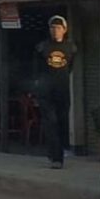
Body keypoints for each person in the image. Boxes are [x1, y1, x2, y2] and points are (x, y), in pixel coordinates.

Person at [35, 15, 76, 169]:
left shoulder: (71, 48)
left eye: (58, 28)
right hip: (46, 93)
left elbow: (70, 67)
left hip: (63, 91)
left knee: (62, 123)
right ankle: (56, 157)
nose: (55, 31)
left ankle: (59, 151)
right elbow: (37, 69)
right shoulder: (42, 48)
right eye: (52, 28)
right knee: (51, 123)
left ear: (64, 30)